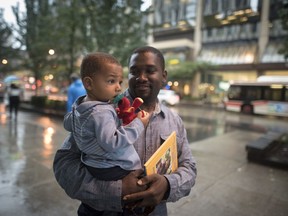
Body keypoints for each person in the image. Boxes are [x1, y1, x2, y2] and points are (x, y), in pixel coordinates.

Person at [53, 46, 197, 216]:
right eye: (134, 71)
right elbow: (63, 166)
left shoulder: (174, 121)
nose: (141, 77)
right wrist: (117, 190)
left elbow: (189, 167)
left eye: (150, 71)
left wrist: (167, 185)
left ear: (163, 76)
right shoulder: (101, 110)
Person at [63, 52, 150, 215]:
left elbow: (67, 123)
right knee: (140, 176)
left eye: (119, 82)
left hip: (92, 164)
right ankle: (132, 205)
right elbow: (112, 143)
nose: (118, 87)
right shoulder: (101, 112)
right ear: (88, 83)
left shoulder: (80, 107)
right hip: (111, 167)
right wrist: (138, 124)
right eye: (111, 81)